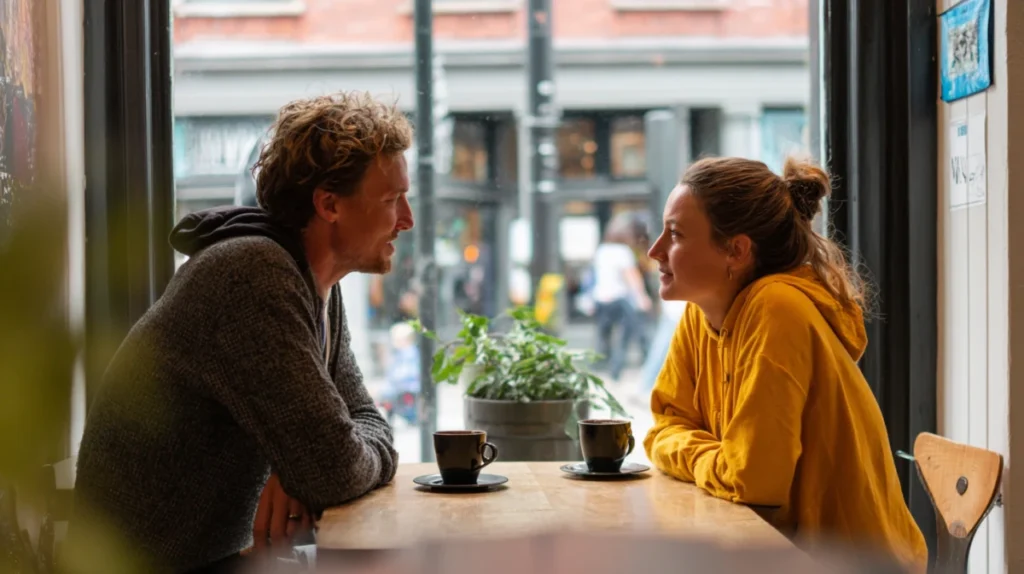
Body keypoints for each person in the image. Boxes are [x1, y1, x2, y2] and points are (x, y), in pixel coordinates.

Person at [70, 91, 412, 572]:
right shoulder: (251, 275)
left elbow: (354, 427)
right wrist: (306, 466)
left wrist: (297, 466)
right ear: (329, 204)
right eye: (392, 199)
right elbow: (333, 467)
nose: (407, 220)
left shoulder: (315, 285)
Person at [643, 156, 926, 570]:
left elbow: (754, 481)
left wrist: (698, 454)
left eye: (675, 234)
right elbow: (665, 425)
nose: (655, 251)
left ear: (736, 251)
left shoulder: (776, 309)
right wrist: (717, 457)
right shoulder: (701, 312)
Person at [590, 213, 652, 381]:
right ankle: (617, 370)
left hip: (601, 299)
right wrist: (642, 297)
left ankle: (604, 367)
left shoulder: (601, 250)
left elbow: (595, 277)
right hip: (619, 298)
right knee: (627, 334)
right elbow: (632, 277)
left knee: (605, 336)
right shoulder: (623, 251)